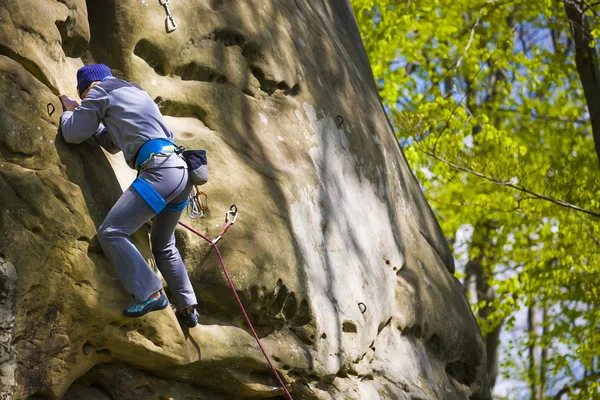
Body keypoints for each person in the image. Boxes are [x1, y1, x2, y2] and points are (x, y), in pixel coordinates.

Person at [59, 64, 199, 327]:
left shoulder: (99, 92)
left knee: (111, 232)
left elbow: (73, 133)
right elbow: (112, 143)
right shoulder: (133, 90)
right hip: (182, 173)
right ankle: (188, 306)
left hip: (160, 171)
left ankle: (151, 293)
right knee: (163, 244)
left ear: (90, 86)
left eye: (85, 93)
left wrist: (71, 112)